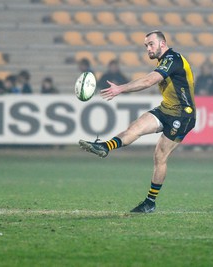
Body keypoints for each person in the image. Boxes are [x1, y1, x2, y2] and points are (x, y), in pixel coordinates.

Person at [79, 30, 196, 213]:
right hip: (166, 109)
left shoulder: (172, 59)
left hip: (183, 115)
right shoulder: (164, 60)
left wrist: (121, 89)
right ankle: (105, 147)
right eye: (146, 46)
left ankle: (150, 202)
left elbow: (150, 80)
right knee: (134, 128)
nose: (148, 48)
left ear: (162, 44)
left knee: (160, 155)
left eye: (151, 44)